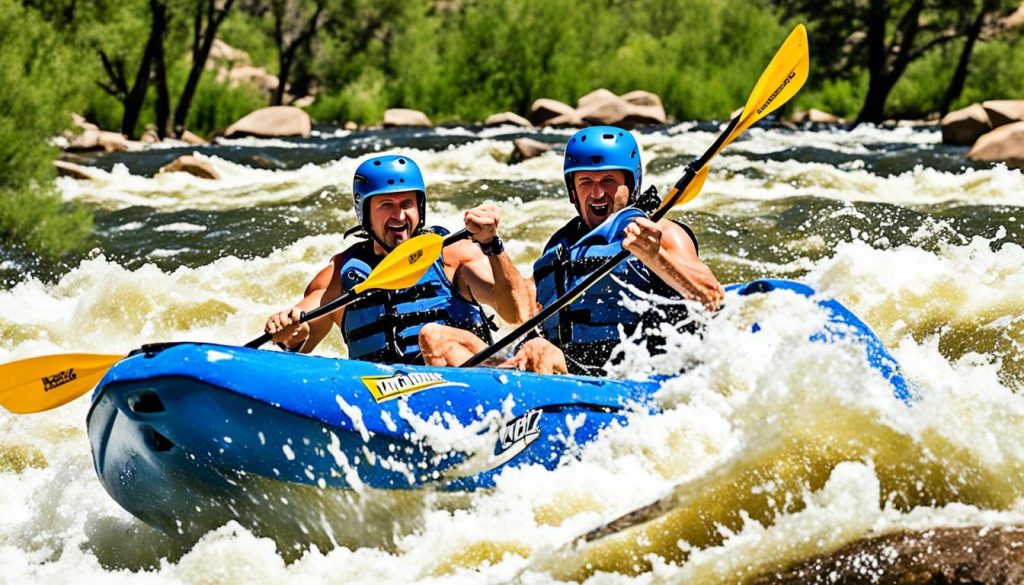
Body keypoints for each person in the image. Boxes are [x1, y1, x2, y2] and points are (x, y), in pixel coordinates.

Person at [264, 154, 532, 364]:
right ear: (364, 213)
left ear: (420, 208)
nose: (399, 216)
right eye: (386, 205)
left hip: (471, 384)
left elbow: (517, 313)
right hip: (386, 403)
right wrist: (290, 333)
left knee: (434, 338)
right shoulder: (340, 275)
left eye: (407, 204)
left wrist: (493, 245)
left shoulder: (453, 254)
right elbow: (301, 336)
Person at [506, 126, 724, 375]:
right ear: (573, 191)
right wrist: (491, 248)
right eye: (586, 182)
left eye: (608, 181)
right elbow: (520, 306)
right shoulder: (561, 246)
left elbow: (713, 298)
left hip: (643, 374)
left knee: (540, 352)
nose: (597, 193)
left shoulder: (662, 232)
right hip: (579, 374)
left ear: (631, 185)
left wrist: (656, 257)